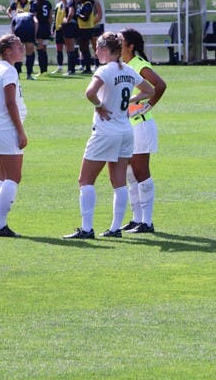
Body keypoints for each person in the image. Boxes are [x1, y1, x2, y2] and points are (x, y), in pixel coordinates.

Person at [63, 31, 155, 240]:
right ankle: (114, 228)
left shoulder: (104, 70)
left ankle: (87, 228)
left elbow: (90, 93)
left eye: (98, 47)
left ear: (105, 49)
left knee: (85, 180)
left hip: (105, 131)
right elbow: (149, 91)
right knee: (119, 181)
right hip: (125, 131)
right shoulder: (128, 70)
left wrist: (99, 105)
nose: (95, 51)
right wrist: (130, 101)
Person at [120, 28, 167, 233]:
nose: (117, 42)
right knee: (130, 173)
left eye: (120, 40)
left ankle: (147, 222)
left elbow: (160, 85)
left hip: (140, 125)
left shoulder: (138, 64)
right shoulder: (123, 65)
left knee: (141, 171)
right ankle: (136, 218)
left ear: (130, 46)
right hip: (128, 125)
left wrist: (147, 106)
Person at [0, 34, 28, 238]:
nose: (22, 50)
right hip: (6, 128)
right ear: (8, 51)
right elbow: (11, 103)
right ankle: (0, 225)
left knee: (2, 177)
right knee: (13, 177)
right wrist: (20, 131)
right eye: (19, 47)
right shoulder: (9, 71)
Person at [7, 0, 37, 79]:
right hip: (19, 28)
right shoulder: (16, 3)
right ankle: (17, 73)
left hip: (29, 28)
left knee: (29, 51)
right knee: (18, 51)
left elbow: (34, 16)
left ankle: (29, 73)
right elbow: (8, 11)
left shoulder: (31, 3)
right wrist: (12, 17)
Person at [31, 0, 53, 76]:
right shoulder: (48, 3)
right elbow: (50, 18)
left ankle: (42, 70)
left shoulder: (35, 4)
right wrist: (49, 29)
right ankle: (45, 69)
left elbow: (34, 18)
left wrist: (35, 30)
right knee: (44, 49)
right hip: (46, 27)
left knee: (40, 49)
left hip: (39, 27)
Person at [83, 0, 105, 70]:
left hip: (95, 27)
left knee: (95, 46)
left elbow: (100, 16)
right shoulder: (84, 3)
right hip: (86, 27)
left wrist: (91, 23)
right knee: (84, 46)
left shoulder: (96, 3)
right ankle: (84, 64)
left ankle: (97, 64)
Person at [76, 0, 96, 73]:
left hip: (87, 29)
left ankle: (88, 68)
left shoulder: (88, 4)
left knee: (85, 49)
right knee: (83, 49)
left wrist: (78, 14)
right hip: (82, 29)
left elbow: (85, 18)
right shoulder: (82, 4)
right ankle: (86, 67)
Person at [61, 0, 80, 75]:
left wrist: (66, 20)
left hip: (69, 26)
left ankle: (71, 70)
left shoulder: (71, 2)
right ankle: (72, 69)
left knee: (69, 49)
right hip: (75, 26)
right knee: (71, 48)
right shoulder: (76, 1)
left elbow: (71, 12)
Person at [50, 0, 69, 73]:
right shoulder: (58, 5)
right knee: (59, 49)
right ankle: (60, 67)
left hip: (66, 29)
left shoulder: (69, 4)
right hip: (58, 30)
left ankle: (70, 67)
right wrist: (53, 28)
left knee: (68, 49)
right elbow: (55, 18)